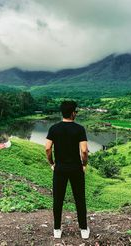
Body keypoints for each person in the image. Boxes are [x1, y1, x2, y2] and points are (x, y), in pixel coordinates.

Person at [45, 100, 90, 239]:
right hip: (76, 168)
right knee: (79, 199)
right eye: (75, 111)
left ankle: (57, 230)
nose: (76, 113)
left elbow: (47, 148)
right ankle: (83, 230)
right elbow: (84, 151)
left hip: (60, 169)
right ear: (72, 113)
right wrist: (84, 164)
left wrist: (52, 163)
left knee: (58, 199)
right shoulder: (79, 129)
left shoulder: (54, 128)